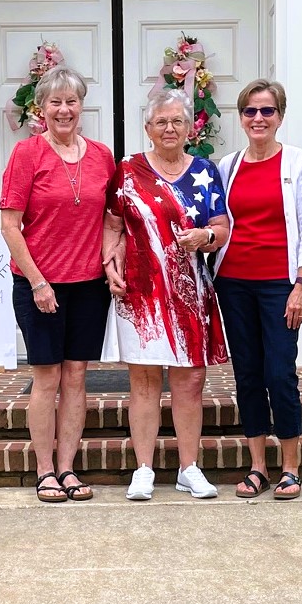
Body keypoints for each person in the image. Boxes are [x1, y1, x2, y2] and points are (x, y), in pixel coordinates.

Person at [0, 66, 120, 503]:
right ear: (41, 109)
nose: (64, 109)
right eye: (55, 102)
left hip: (88, 286)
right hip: (39, 286)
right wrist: (38, 282)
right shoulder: (27, 154)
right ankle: (45, 471)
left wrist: (111, 258)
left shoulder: (102, 156)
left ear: (81, 106)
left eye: (71, 101)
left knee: (77, 377)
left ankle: (68, 468)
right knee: (47, 377)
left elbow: (112, 218)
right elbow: (10, 226)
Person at [103, 89, 230, 502]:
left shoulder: (206, 171)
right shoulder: (128, 170)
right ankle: (143, 469)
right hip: (140, 296)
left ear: (190, 127)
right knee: (143, 380)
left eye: (177, 121)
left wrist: (205, 236)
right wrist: (110, 262)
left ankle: (189, 468)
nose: (169, 128)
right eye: (161, 122)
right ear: (148, 128)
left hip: (191, 293)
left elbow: (222, 228)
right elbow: (112, 224)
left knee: (190, 381)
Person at [213, 79, 302, 500]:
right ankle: (257, 466)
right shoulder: (228, 165)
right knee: (248, 374)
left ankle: (290, 468)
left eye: (267, 111)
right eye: (250, 111)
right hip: (234, 283)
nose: (258, 118)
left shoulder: (297, 162)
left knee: (279, 373)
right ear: (241, 117)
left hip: (280, 285)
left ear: (280, 116)